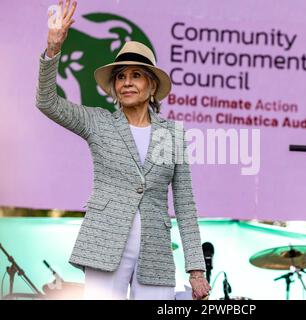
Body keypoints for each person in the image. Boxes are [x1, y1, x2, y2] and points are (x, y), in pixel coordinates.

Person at [37, 0, 211, 300]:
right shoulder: (98, 122)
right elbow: (47, 102)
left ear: (152, 85)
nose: (127, 82)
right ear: (114, 86)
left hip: (156, 250)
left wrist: (196, 270)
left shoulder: (173, 134)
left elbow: (184, 202)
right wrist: (53, 50)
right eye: (121, 76)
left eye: (136, 75)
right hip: (104, 242)